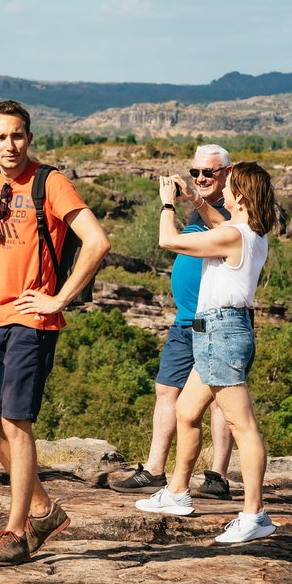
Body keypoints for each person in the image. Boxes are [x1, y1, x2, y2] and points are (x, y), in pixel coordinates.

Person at [0, 99, 111, 567]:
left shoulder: (51, 182)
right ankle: (45, 510)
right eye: (1, 137)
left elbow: (98, 240)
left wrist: (58, 298)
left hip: (33, 320)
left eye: (18, 135)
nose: (11, 145)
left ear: (29, 138)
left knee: (14, 422)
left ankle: (16, 531)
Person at [135, 161, 279, 545]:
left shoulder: (233, 234)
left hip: (221, 333)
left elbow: (169, 241)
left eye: (228, 185)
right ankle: (177, 493)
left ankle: (255, 515)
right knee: (185, 410)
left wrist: (168, 205)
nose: (224, 190)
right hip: (218, 331)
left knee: (242, 425)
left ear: (242, 197)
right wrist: (197, 200)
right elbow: (218, 221)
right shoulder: (249, 231)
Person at [110, 146, 237, 500]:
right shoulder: (203, 210)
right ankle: (154, 470)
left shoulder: (235, 210)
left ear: (228, 172)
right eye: (195, 172)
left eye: (208, 173)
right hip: (184, 320)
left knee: (218, 399)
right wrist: (189, 201)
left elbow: (219, 230)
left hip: (215, 321)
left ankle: (217, 476)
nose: (200, 179)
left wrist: (183, 201)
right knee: (166, 390)